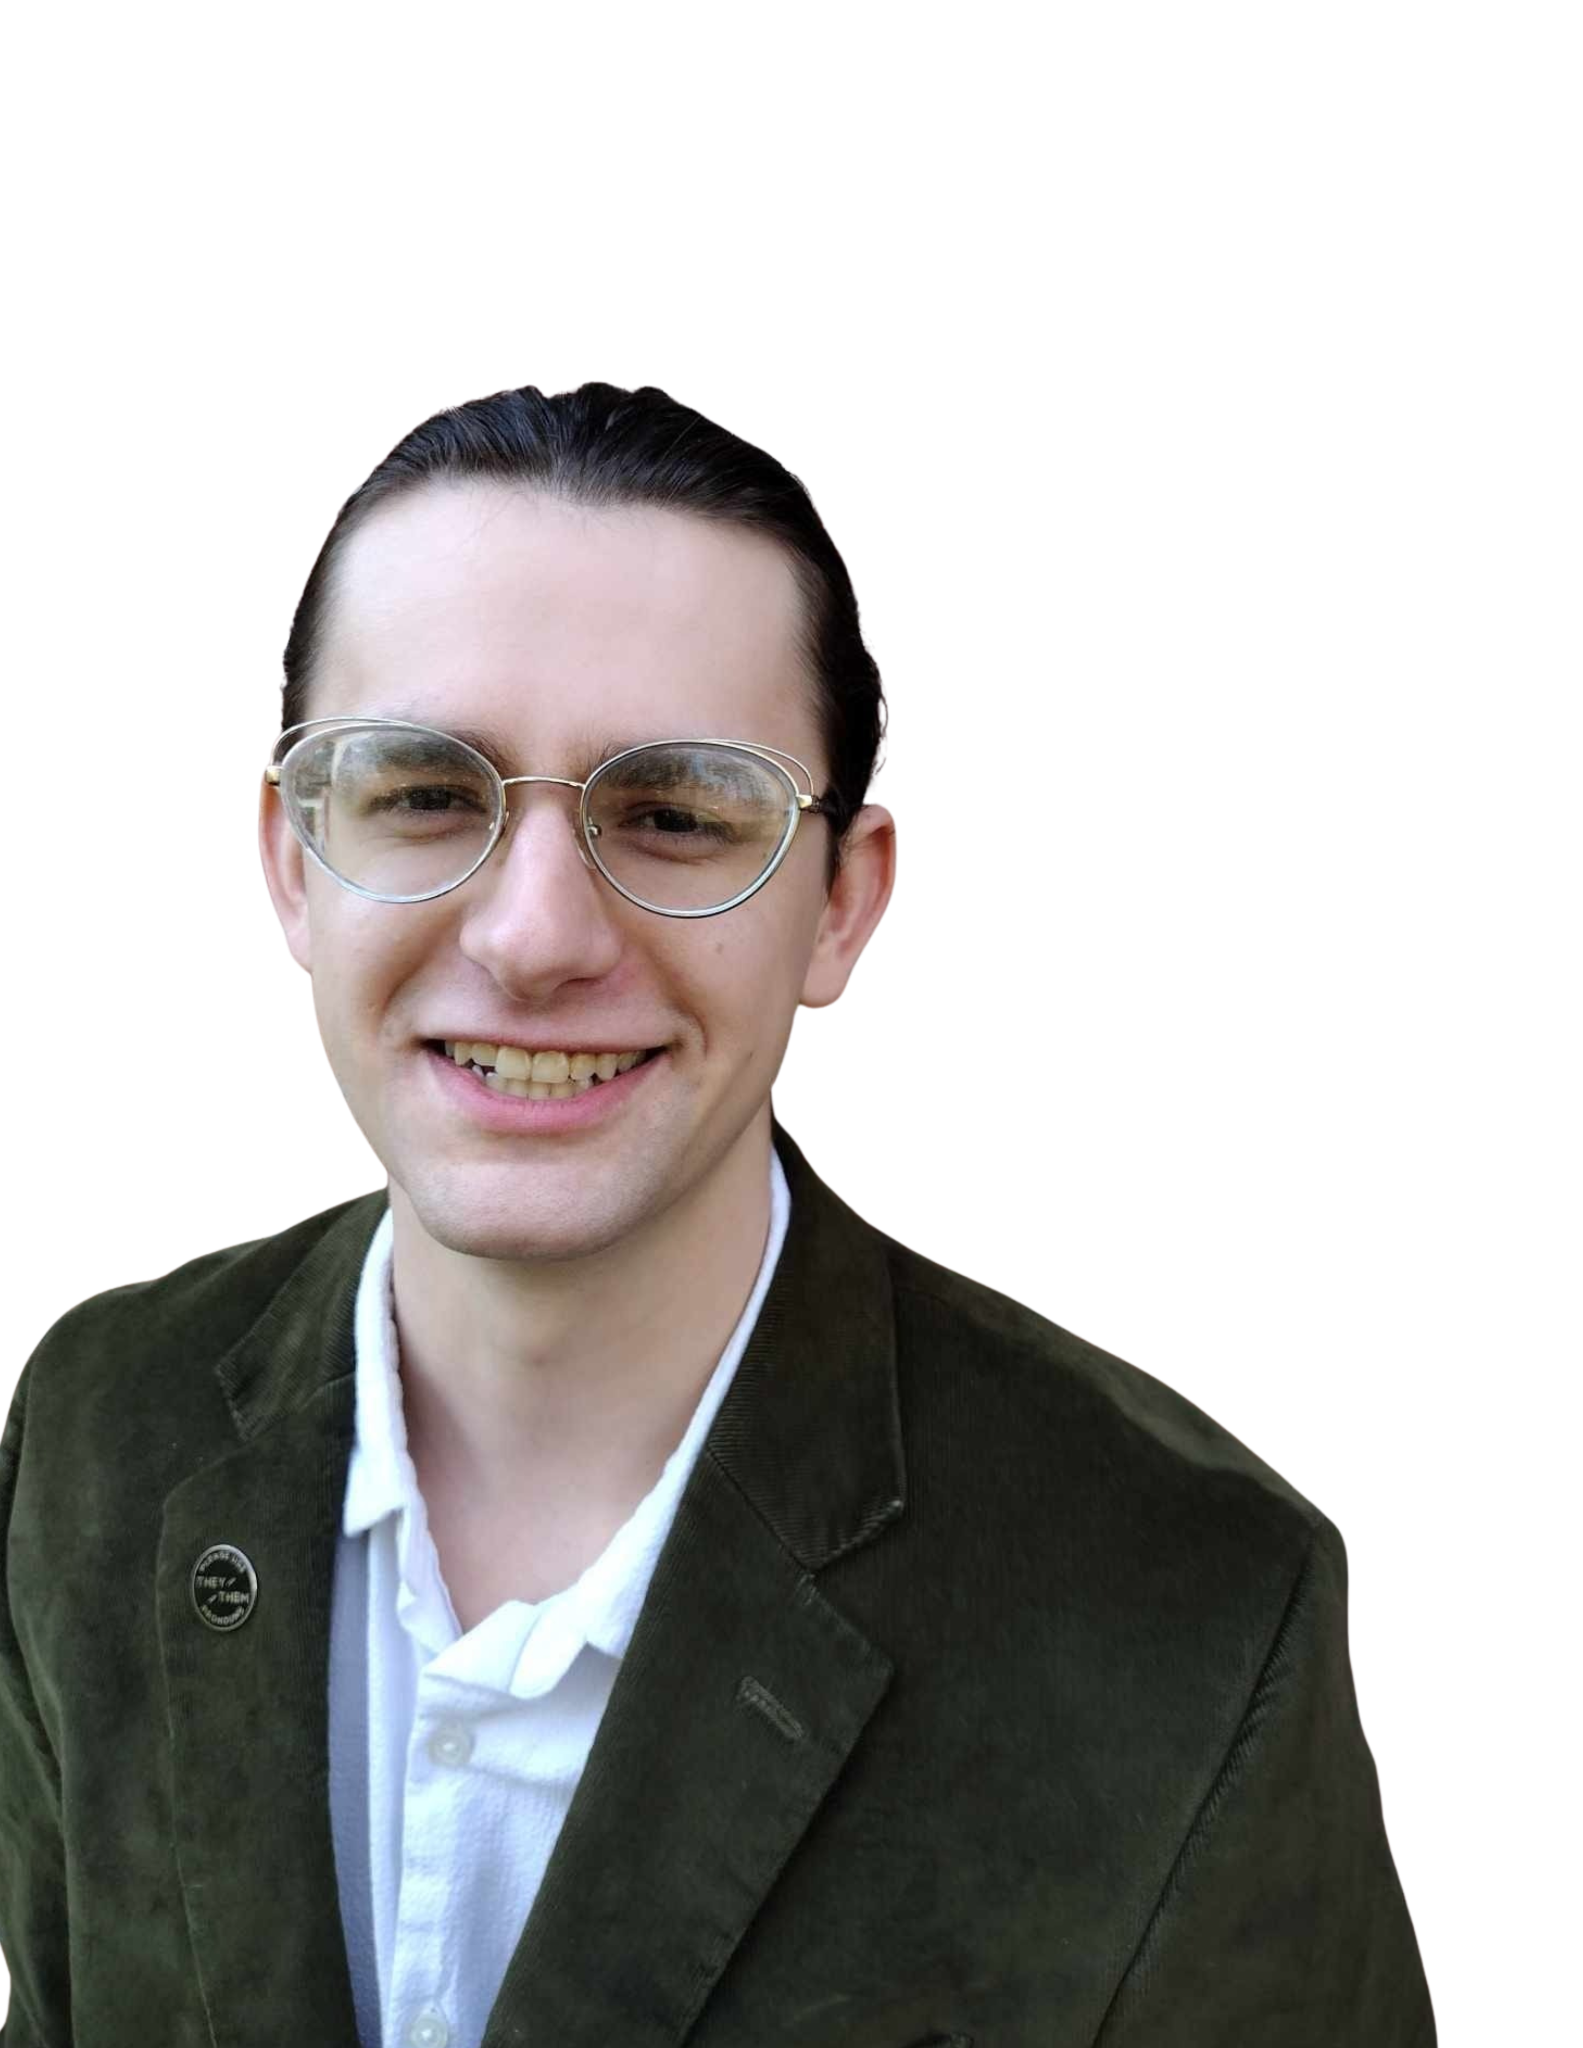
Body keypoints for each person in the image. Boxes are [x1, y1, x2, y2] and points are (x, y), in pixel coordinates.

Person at [0, 382, 1436, 2047]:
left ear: (844, 906)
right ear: (292, 861)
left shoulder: (1196, 1610)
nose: (535, 938)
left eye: (676, 815)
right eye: (424, 795)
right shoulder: (100, 1424)